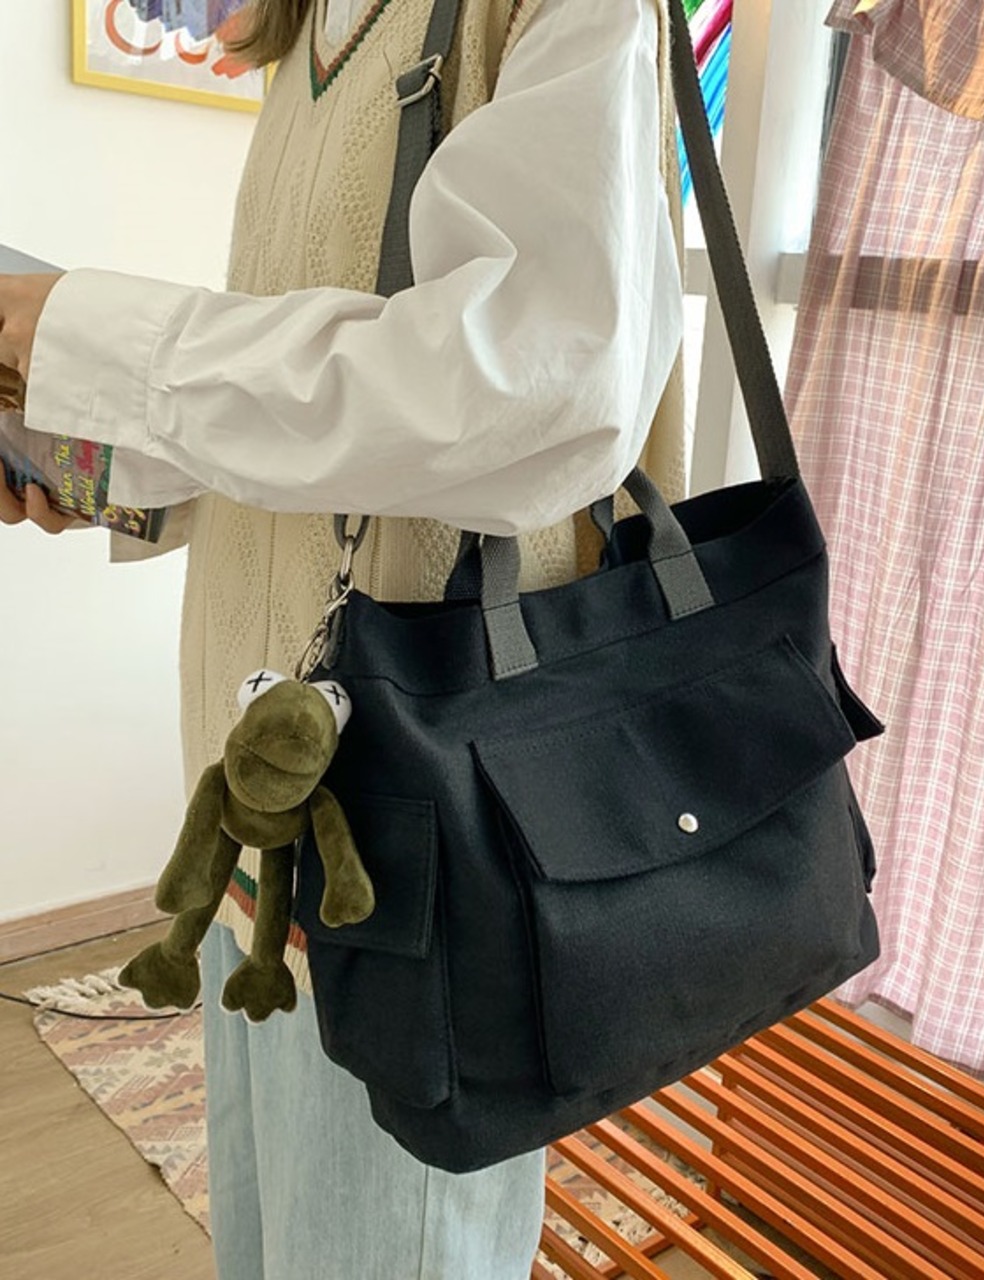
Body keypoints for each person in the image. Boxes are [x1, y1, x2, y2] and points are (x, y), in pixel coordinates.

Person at [0, 0, 687, 1275]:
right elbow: (324, 409)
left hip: (426, 838)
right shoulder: (310, 34)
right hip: (253, 796)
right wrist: (98, 455)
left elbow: (546, 383)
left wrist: (97, 337)